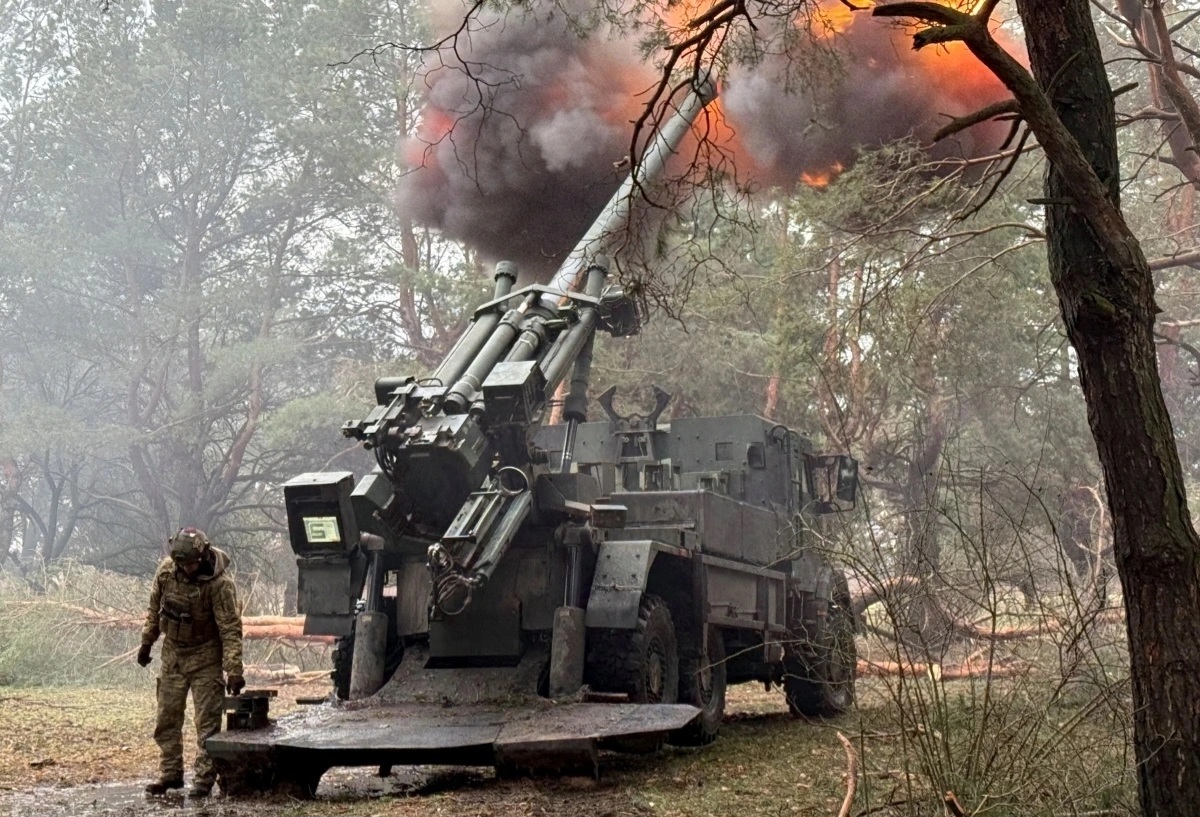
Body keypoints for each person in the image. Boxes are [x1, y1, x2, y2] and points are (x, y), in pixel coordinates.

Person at [137, 527, 244, 798]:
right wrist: (147, 642)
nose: (186, 570)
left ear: (203, 555)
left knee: (206, 724)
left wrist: (233, 670)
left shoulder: (219, 585)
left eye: (191, 564)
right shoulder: (166, 571)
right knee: (166, 718)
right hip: (173, 654)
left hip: (206, 658)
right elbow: (154, 610)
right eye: (181, 564)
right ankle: (170, 773)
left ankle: (204, 780)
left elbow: (230, 629)